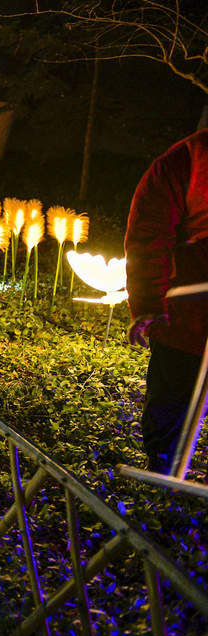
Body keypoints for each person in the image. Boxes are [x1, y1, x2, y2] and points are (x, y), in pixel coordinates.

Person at [125, 128, 208, 474]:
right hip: (187, 320)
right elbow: (149, 234)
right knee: (174, 399)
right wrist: (148, 303)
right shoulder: (189, 159)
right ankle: (162, 473)